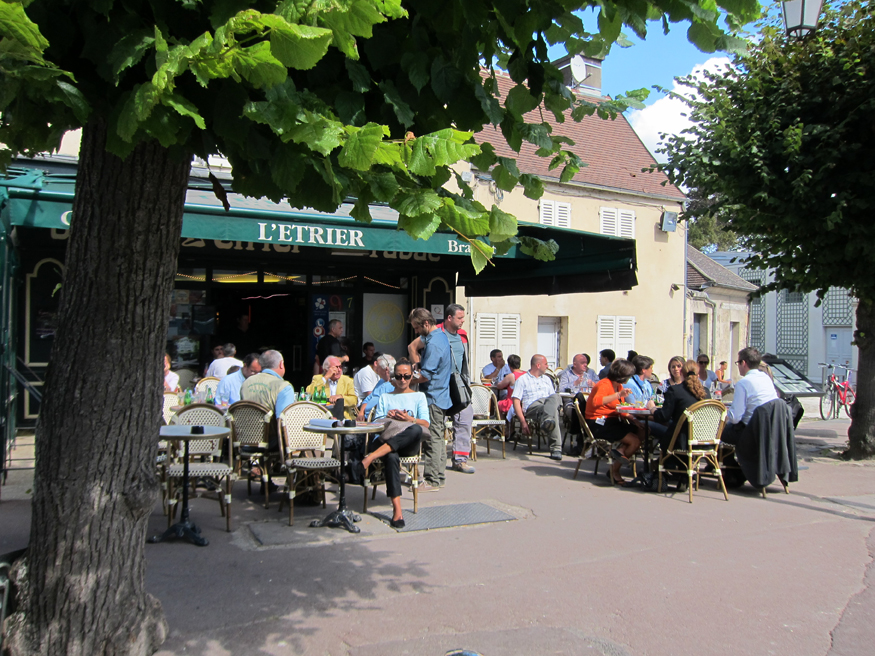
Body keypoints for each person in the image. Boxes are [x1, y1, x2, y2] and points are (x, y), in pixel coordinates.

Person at [362, 358, 429, 529]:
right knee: (391, 456)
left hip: (408, 443)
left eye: (406, 376)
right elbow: (376, 424)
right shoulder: (386, 397)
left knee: (415, 429)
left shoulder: (419, 396)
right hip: (387, 438)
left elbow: (426, 424)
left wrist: (409, 419)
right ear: (393, 377)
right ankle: (397, 511)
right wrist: (389, 416)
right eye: (399, 377)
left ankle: (372, 457)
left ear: (411, 376)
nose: (403, 380)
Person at [408, 307, 459, 490]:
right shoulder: (439, 337)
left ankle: (432, 480)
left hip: (433, 397)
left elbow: (426, 375)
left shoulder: (435, 343)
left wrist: (407, 379)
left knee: (433, 439)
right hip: (440, 396)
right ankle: (439, 477)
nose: (415, 331)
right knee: (437, 437)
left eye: (416, 327)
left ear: (426, 323)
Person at [649, 359, 710, 490]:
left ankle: (663, 472)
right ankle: (684, 475)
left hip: (681, 441)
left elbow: (663, 417)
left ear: (682, 372)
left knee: (665, 434)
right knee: (674, 433)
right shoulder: (706, 392)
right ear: (698, 374)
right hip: (704, 440)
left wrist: (652, 409)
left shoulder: (675, 390)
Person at [584, 359, 642, 485]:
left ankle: (620, 452)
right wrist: (618, 395)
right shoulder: (604, 384)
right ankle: (614, 471)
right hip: (599, 423)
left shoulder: (618, 386)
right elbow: (596, 402)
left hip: (612, 420)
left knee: (642, 430)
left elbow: (618, 407)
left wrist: (631, 417)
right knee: (634, 441)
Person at [512, 354, 564, 461]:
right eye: (546, 364)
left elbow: (552, 399)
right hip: (533, 407)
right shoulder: (522, 380)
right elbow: (516, 401)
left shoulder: (547, 379)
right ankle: (556, 448)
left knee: (555, 397)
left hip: (547, 406)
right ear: (538, 365)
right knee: (553, 411)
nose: (548, 366)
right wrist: (522, 421)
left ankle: (548, 420)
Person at [722, 347, 779, 445]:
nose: (738, 366)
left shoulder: (743, 383)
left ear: (743, 363)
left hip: (751, 430)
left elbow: (735, 418)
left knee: (721, 431)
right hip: (769, 428)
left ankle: (728, 459)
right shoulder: (766, 378)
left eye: (738, 363)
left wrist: (725, 413)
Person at [240, 350, 295, 450]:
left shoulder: (246, 383)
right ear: (281, 364)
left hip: (245, 441)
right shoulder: (284, 387)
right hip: (270, 443)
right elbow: (284, 422)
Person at [358, 354, 396, 418]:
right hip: (365, 416)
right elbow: (368, 398)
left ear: (386, 370)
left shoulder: (393, 385)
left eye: (378, 368)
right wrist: (361, 413)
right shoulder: (381, 381)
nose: (376, 370)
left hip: (377, 418)